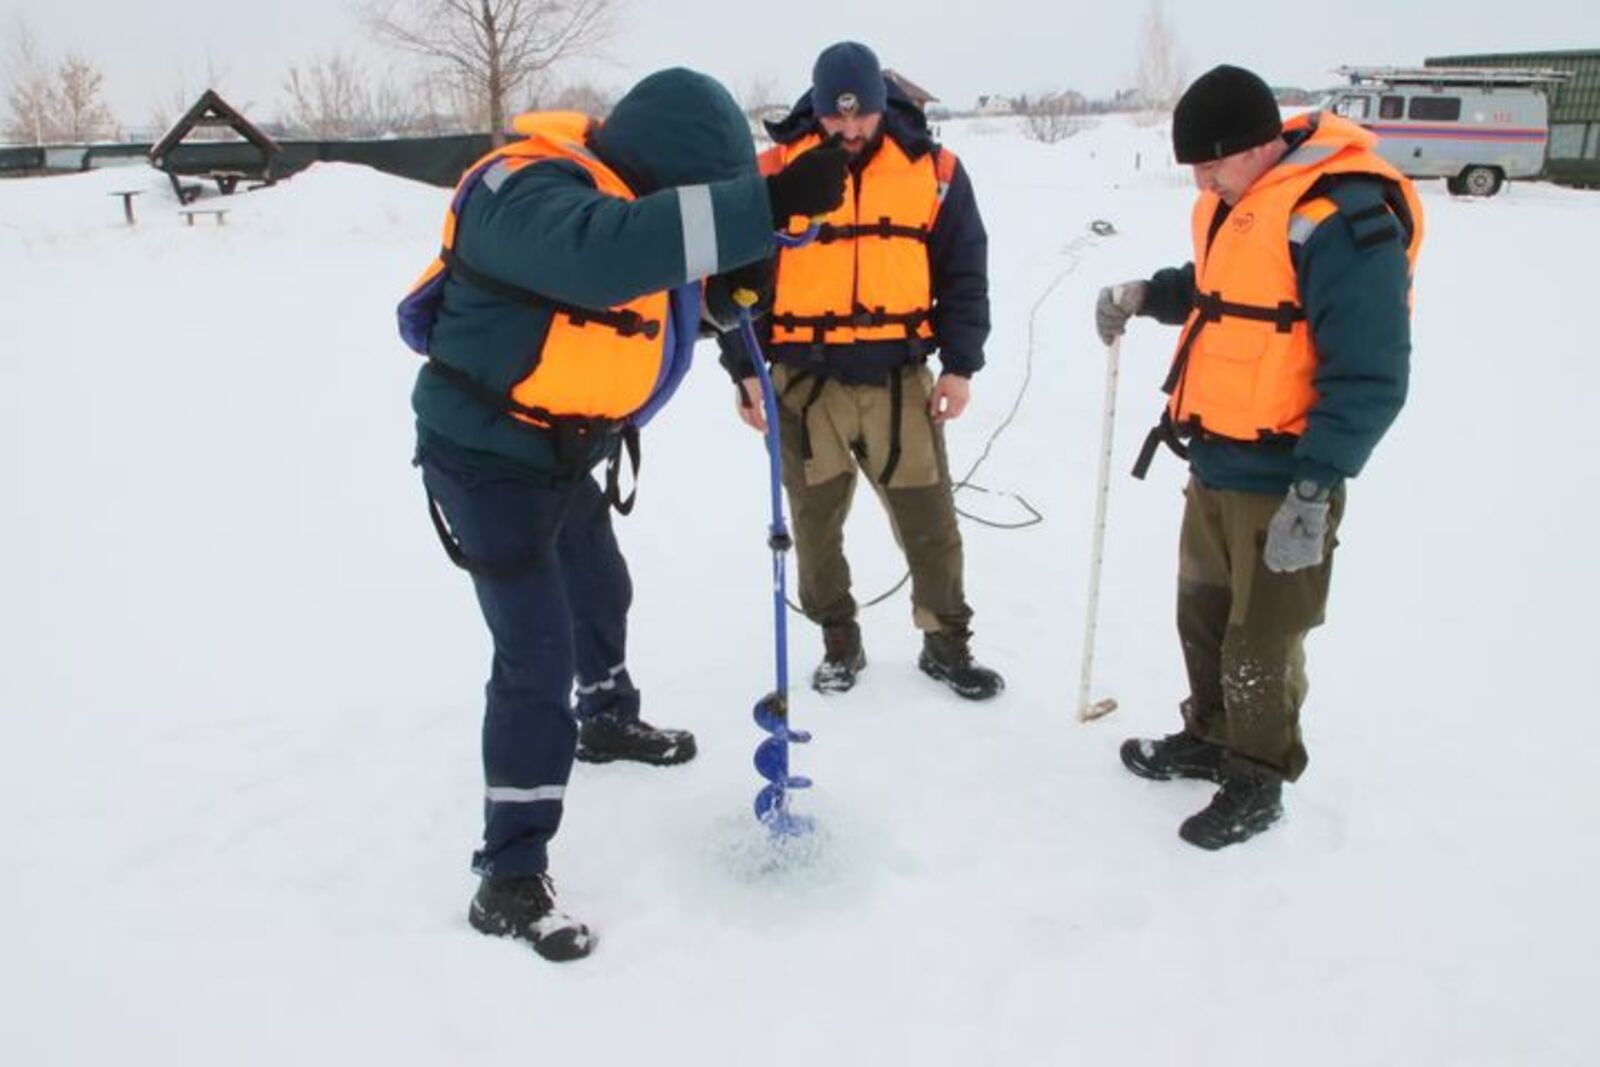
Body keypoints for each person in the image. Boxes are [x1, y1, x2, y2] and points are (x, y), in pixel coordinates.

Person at [398, 68, 847, 959]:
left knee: (601, 588)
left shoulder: (631, 202)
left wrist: (737, 283)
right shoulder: (520, 190)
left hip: (565, 452)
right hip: (485, 459)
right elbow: (603, 256)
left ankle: (604, 717)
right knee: (534, 653)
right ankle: (509, 873)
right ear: (656, 170)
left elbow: (663, 300)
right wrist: (760, 201)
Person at [1095, 65, 1422, 850]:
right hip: (1215, 459)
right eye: (1194, 169)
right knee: (1203, 614)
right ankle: (1210, 735)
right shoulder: (1239, 201)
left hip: (1287, 476)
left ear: (1260, 145)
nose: (1203, 183)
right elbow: (1225, 290)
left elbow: (1372, 371)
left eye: (1212, 164)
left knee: (1262, 639)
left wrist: (1316, 487)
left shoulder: (1342, 218)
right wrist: (1150, 294)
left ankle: (1257, 777)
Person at [718, 41, 1002, 701]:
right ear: (816, 108)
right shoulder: (772, 172)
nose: (849, 129)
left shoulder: (935, 170)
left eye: (862, 115)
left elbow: (965, 269)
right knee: (815, 526)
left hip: (899, 378)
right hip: (803, 383)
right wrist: (743, 367)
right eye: (835, 116)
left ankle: (946, 641)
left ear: (882, 104)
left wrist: (960, 365)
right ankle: (838, 638)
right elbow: (733, 277)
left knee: (930, 521)